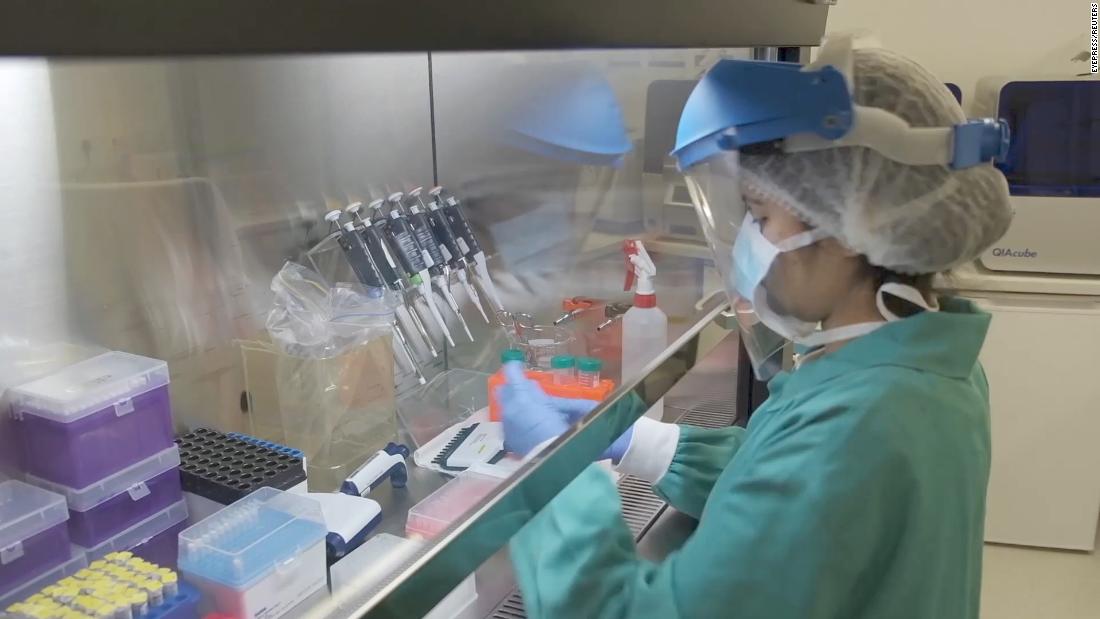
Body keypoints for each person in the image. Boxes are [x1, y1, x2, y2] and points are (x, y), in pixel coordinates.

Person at [498, 34, 1013, 619]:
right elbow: (791, 496)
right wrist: (643, 443)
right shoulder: (922, 363)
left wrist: (550, 475)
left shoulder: (855, 424)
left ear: (850, 222)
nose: (749, 241)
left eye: (761, 216)